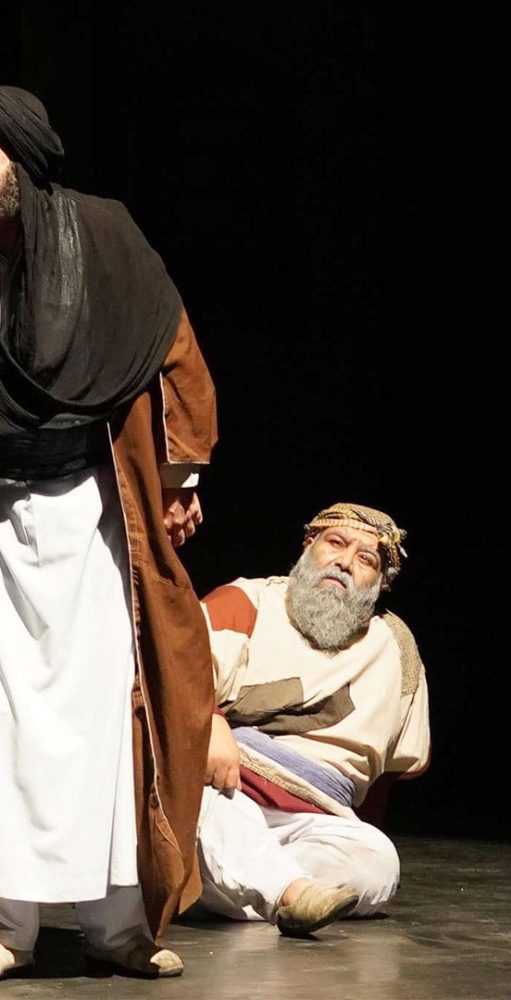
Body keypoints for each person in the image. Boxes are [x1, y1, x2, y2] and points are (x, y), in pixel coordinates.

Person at [0, 86, 218, 979]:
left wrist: (177, 474)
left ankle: (118, 926)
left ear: (19, 162)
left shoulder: (104, 235)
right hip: (1, 516)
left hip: (95, 513)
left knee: (110, 717)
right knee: (8, 730)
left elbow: (174, 348)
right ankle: (9, 927)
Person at [194, 502, 431, 938]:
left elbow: (387, 773)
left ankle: (214, 884)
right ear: (308, 545)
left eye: (366, 559)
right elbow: (172, 670)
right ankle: (289, 892)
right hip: (225, 790)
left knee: (378, 860)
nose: (345, 562)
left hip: (315, 819)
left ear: (381, 582)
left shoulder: (395, 647)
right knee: (209, 811)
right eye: (335, 543)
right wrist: (209, 721)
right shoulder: (247, 602)